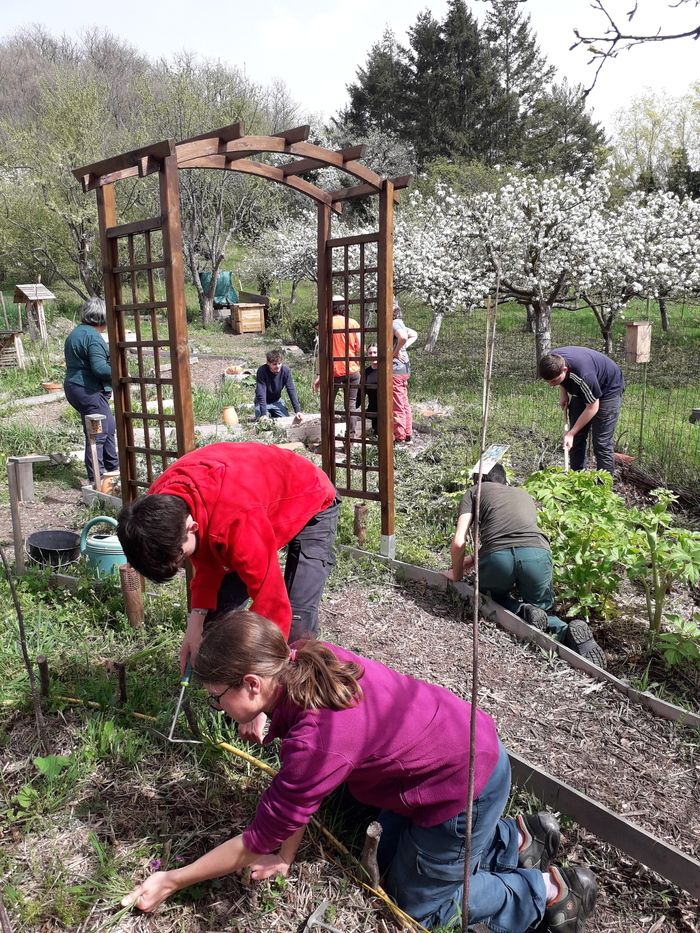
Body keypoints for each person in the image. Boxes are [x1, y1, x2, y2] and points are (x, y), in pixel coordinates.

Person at [121, 610, 598, 933]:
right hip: (461, 747)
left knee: (422, 905)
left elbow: (255, 840)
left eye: (217, 695)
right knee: (393, 856)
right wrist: (287, 854)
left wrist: (172, 880)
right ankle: (517, 842)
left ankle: (547, 890)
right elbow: (302, 790)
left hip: (461, 788)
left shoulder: (318, 743)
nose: (218, 706)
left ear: (251, 684)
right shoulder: (304, 658)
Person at [116, 442, 339, 685]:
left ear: (192, 527)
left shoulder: (237, 521)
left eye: (180, 558)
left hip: (310, 496)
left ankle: (291, 697)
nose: (183, 564)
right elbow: (205, 558)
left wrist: (261, 693)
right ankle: (227, 690)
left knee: (296, 623)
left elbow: (272, 603)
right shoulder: (161, 503)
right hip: (255, 500)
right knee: (217, 622)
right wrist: (196, 622)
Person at [443, 464, 606, 667]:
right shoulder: (523, 494)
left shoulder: (474, 491)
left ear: (477, 480)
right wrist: (474, 559)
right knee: (544, 611)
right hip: (537, 553)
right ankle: (565, 630)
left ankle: (521, 610)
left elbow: (459, 542)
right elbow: (515, 534)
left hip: (497, 559)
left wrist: (457, 575)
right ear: (505, 481)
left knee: (493, 599)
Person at [538, 347, 624, 475]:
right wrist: (563, 392)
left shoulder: (583, 375)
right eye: (548, 382)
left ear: (565, 370)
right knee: (576, 438)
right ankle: (577, 478)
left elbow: (592, 406)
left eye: (555, 381)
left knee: (601, 443)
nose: (551, 385)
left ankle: (604, 487)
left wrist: (570, 433)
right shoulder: (552, 359)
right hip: (584, 386)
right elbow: (560, 377)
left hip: (608, 389)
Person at [63, 297, 119, 490]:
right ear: (103, 318)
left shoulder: (76, 333)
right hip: (87, 389)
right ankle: (97, 477)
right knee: (99, 432)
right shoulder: (93, 337)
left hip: (74, 387)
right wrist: (121, 371)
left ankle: (113, 469)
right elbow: (100, 369)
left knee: (108, 425)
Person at [313, 294, 361, 436]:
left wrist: (319, 375)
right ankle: (350, 438)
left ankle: (328, 439)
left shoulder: (324, 324)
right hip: (352, 370)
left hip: (332, 371)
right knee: (351, 405)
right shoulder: (353, 323)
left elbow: (321, 353)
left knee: (328, 406)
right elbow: (359, 348)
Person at [391, 300, 417, 444]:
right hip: (403, 369)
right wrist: (401, 348)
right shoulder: (400, 323)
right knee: (403, 402)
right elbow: (413, 334)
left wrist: (395, 352)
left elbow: (403, 336)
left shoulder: (394, 324)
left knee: (397, 404)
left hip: (395, 369)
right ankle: (407, 434)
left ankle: (400, 438)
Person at [254, 349, 303, 422]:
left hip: (276, 401)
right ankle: (265, 414)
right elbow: (261, 391)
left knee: (286, 421)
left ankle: (273, 414)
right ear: (268, 363)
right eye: (274, 364)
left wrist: (297, 411)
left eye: (279, 363)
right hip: (262, 402)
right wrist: (263, 413)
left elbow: (291, 389)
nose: (278, 366)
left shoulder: (285, 371)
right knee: (263, 422)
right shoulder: (262, 371)